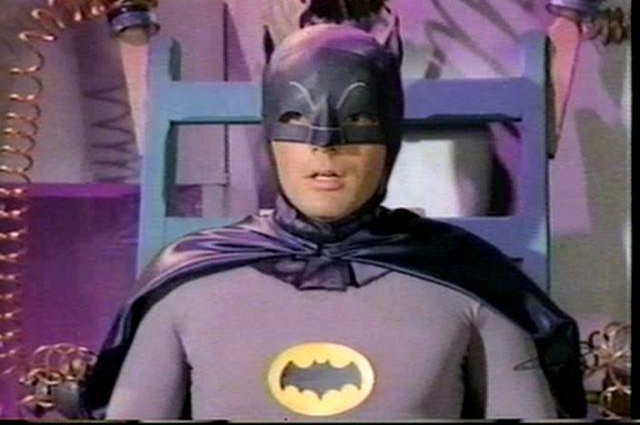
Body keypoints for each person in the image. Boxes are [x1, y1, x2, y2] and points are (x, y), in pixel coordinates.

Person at [80, 22, 586, 420]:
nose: (326, 146)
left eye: (359, 120)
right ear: (269, 134)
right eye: (296, 119)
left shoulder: (469, 277)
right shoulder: (188, 281)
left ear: (390, 138)